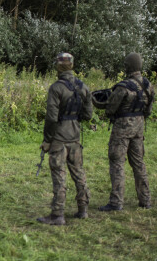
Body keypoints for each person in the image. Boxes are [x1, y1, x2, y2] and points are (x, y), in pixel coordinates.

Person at [36, 53, 93, 225]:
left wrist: (47, 139)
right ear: (72, 66)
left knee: (59, 176)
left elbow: (51, 118)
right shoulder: (83, 87)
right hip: (75, 137)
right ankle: (83, 209)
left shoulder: (56, 88)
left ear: (58, 67)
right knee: (79, 173)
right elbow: (88, 115)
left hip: (59, 139)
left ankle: (57, 214)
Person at [96, 53, 153, 212]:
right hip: (139, 128)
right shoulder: (148, 85)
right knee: (138, 163)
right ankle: (145, 199)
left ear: (127, 66)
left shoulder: (123, 87)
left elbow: (110, 108)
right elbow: (148, 110)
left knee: (117, 162)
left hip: (122, 129)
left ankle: (116, 201)